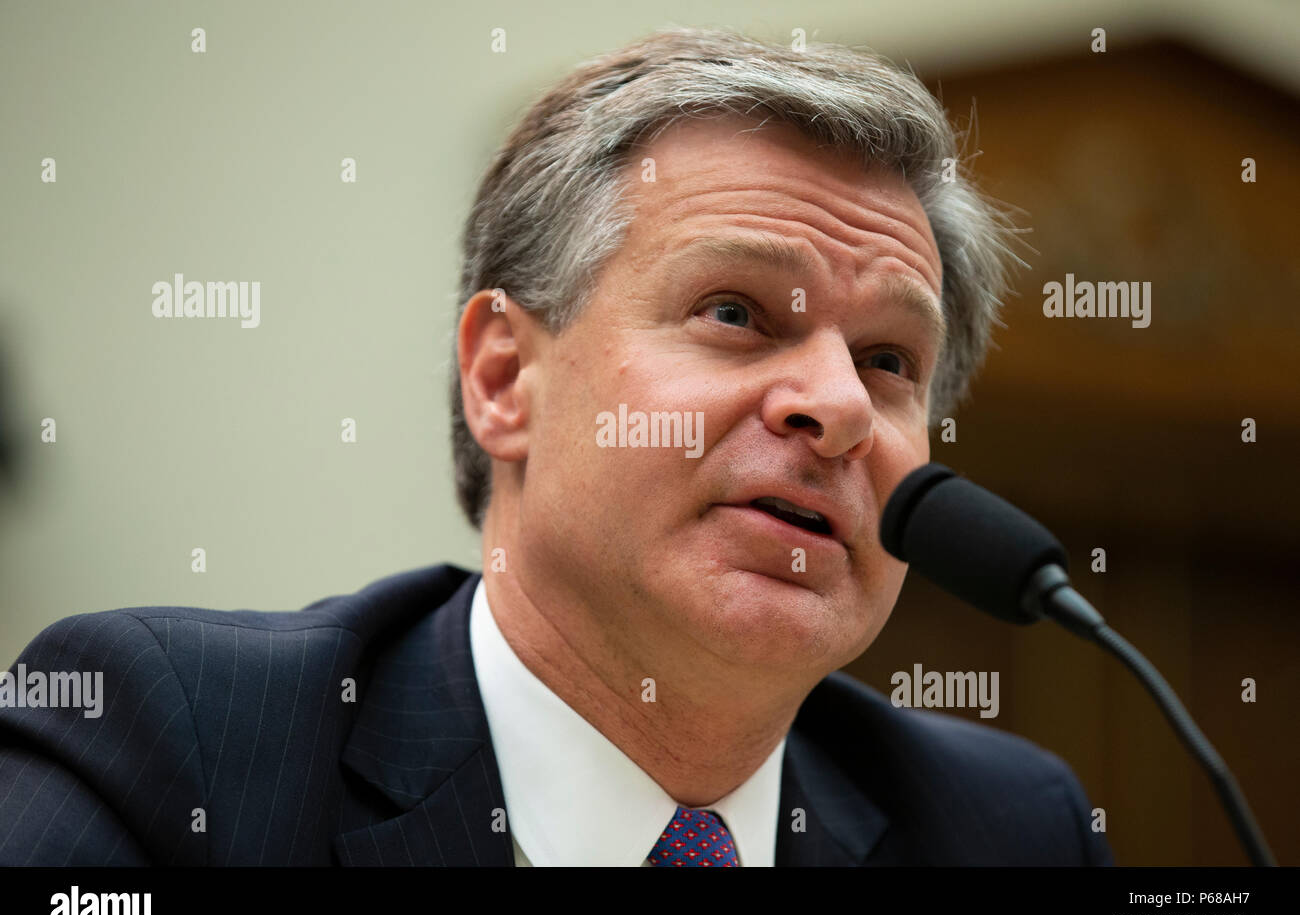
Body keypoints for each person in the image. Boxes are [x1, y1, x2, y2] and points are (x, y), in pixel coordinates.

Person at [0, 26, 1112, 866]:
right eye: (734, 312)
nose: (840, 405)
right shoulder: (173, 746)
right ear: (504, 378)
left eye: (888, 360)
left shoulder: (1011, 831)